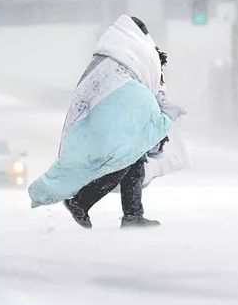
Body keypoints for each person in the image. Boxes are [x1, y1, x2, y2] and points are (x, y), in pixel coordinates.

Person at [28, 15, 185, 229]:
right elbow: (151, 88)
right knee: (122, 160)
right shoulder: (142, 54)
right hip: (118, 113)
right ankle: (82, 201)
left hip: (107, 114)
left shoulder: (108, 56)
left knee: (133, 162)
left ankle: (132, 215)